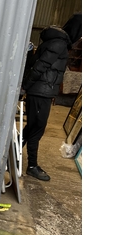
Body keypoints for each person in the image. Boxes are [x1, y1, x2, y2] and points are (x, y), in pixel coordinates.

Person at [21, 17, 79, 181]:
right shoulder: (59, 43)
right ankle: (32, 166)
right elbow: (39, 66)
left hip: (42, 91)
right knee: (37, 128)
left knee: (33, 127)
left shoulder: (55, 41)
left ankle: (13, 154)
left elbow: (36, 62)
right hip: (40, 92)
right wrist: (26, 85)